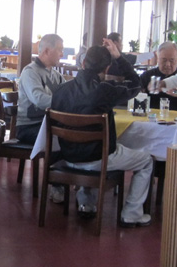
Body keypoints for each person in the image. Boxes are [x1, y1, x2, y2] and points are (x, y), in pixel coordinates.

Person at [51, 40, 153, 227]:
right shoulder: (105, 90)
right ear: (106, 68)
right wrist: (119, 58)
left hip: (66, 156)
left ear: (83, 63)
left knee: (92, 147)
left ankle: (87, 204)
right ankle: (132, 213)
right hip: (98, 160)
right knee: (146, 161)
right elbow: (136, 84)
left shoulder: (61, 91)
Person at [17, 34, 66, 145]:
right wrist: (66, 103)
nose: (62, 54)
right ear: (47, 51)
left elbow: (68, 93)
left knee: (76, 132)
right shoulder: (30, 72)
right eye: (60, 50)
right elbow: (39, 100)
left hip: (49, 123)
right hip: (29, 126)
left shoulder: (57, 75)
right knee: (66, 137)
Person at [139, 42, 177, 112]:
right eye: (164, 60)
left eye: (172, 60)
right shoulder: (147, 76)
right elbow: (137, 100)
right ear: (158, 59)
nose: (168, 64)